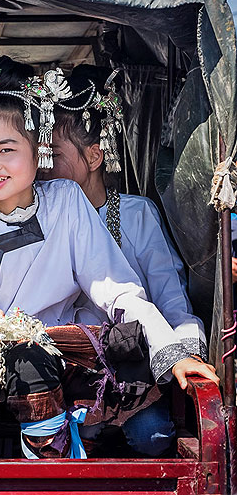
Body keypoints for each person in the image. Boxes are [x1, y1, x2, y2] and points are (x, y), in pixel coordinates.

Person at [0, 55, 218, 460]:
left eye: (6, 149)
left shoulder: (66, 201)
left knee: (36, 365)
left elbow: (116, 288)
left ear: (39, 151)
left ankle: (49, 465)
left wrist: (173, 351)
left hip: (53, 355)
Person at [44, 64, 208, 455]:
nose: (43, 167)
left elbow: (169, 293)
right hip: (61, 366)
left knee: (154, 436)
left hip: (128, 363)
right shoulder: (40, 215)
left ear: (94, 156)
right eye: (41, 155)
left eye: (54, 155)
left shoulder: (136, 214)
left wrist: (183, 351)